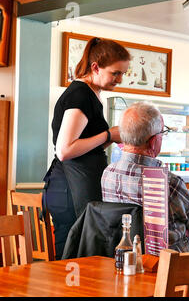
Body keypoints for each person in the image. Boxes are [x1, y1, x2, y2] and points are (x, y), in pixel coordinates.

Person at [43, 37, 131, 259]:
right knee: (71, 250)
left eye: (123, 74)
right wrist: (109, 134)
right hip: (69, 187)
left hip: (78, 180)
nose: (119, 79)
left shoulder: (92, 93)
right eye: (115, 73)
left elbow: (86, 143)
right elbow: (65, 150)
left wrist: (110, 137)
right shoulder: (80, 95)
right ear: (95, 67)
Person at [101, 102, 189, 252]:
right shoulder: (168, 182)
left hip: (123, 260)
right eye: (163, 133)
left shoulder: (108, 173)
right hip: (168, 266)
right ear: (153, 141)